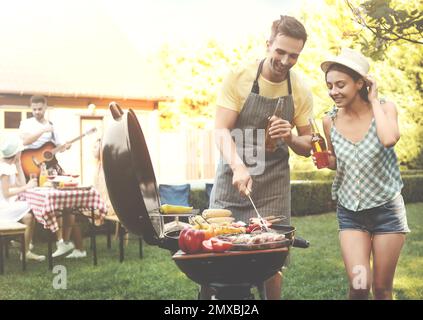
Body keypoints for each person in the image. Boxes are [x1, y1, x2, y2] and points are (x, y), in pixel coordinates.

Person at [208, 15, 314, 299]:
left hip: (273, 184)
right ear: (268, 44)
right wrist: (238, 167)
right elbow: (220, 131)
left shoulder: (300, 89)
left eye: (294, 55)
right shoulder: (240, 76)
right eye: (280, 52)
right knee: (217, 253)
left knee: (272, 260)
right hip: (233, 176)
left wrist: (291, 136)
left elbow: (308, 145)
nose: (285, 61)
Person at [317, 48, 410, 300]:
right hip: (351, 214)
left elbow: (389, 138)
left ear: (360, 83)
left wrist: (374, 99)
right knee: (359, 285)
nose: (333, 91)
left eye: (340, 84)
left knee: (381, 289)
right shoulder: (330, 121)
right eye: (329, 85)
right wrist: (326, 160)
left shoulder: (385, 108)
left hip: (386, 213)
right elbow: (337, 161)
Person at [19, 95, 86, 259]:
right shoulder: (26, 123)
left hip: (50, 165)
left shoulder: (52, 125)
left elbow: (58, 146)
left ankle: (64, 241)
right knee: (30, 202)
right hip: (31, 163)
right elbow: (25, 141)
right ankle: (29, 242)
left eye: (40, 109)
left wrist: (65, 147)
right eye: (34, 109)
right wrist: (42, 130)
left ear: (45, 108)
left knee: (64, 200)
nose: (37, 112)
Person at [0, 134, 45, 261]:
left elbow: (21, 184)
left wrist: (19, 164)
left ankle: (25, 249)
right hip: (2, 208)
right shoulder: (4, 169)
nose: (22, 152)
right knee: (31, 207)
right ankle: (25, 249)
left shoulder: (9, 166)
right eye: (20, 151)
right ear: (16, 152)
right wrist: (26, 188)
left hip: (6, 205)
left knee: (29, 217)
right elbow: (6, 193)